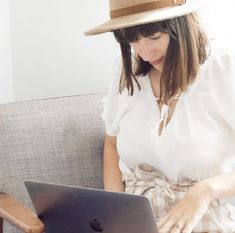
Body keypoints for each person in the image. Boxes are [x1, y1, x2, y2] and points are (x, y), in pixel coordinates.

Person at [85, 0, 235, 232]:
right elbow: (112, 143)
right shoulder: (127, 73)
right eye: (132, 40)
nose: (144, 52)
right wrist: (112, 211)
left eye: (154, 36)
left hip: (203, 220)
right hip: (134, 221)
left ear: (182, 26)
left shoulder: (223, 69)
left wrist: (207, 189)